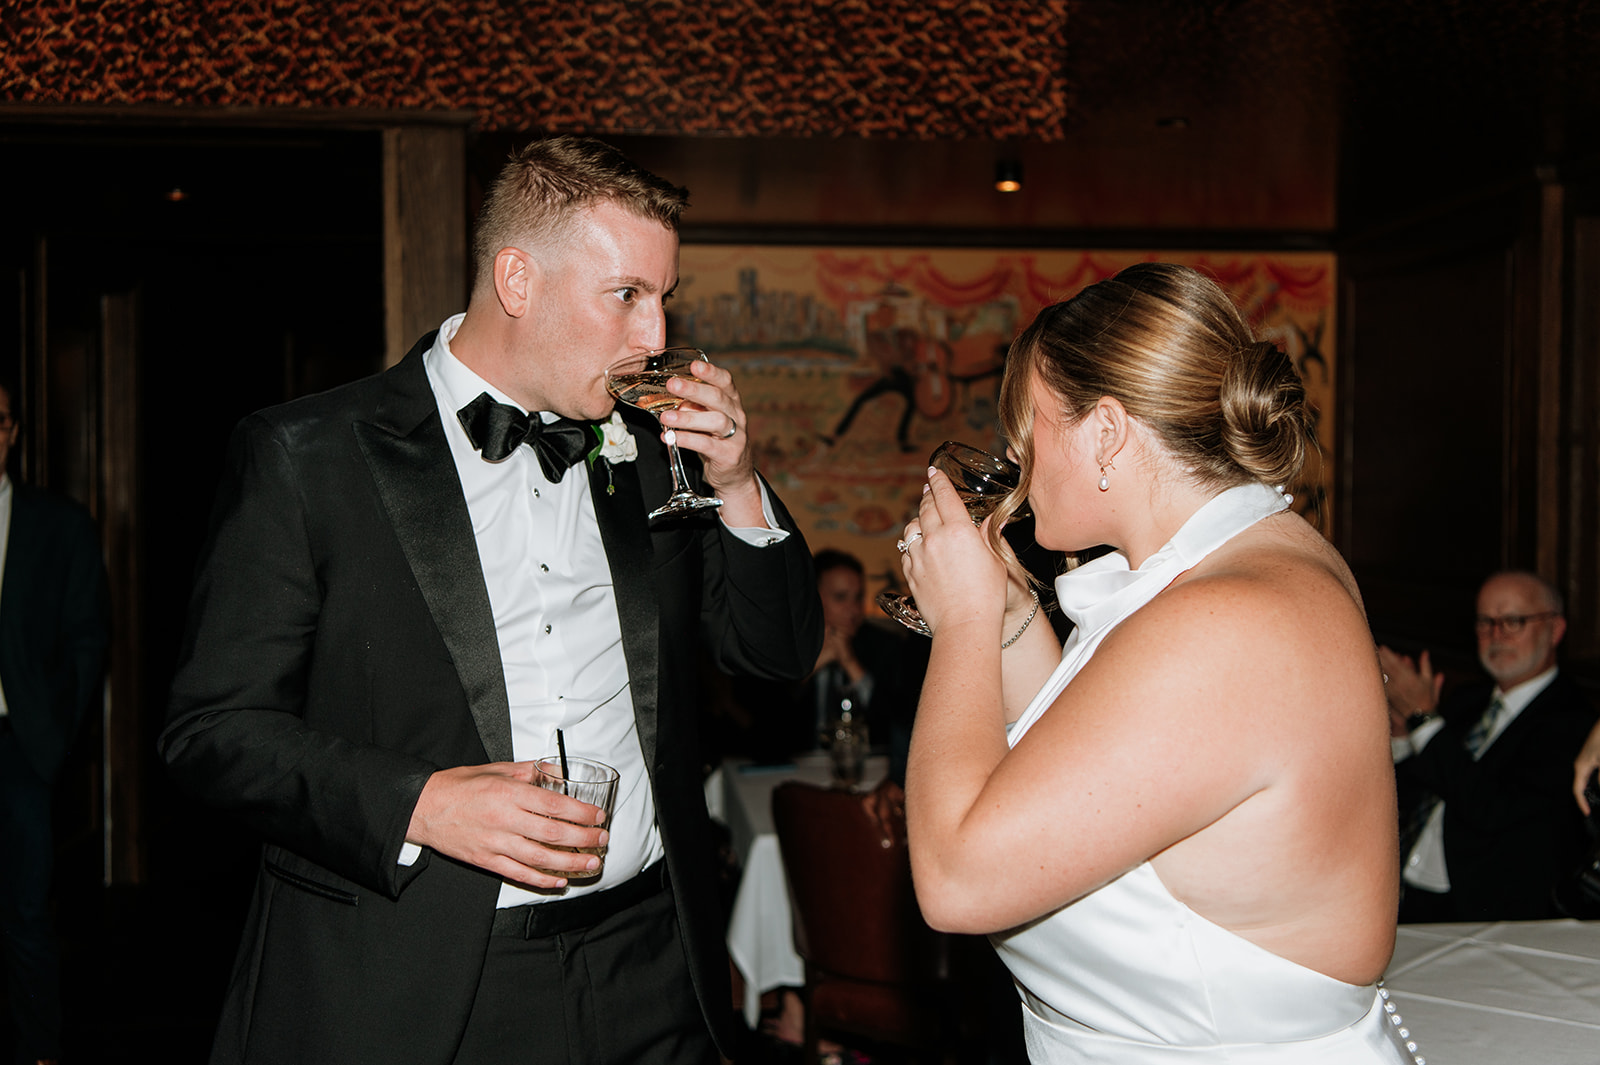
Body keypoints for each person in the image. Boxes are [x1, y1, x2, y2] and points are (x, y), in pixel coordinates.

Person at [158, 136, 822, 1065]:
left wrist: (742, 482)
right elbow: (212, 730)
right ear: (518, 279)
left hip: (652, 965)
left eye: (664, 297)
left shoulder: (651, 452)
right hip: (423, 984)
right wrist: (419, 804)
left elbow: (777, 655)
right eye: (627, 294)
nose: (655, 338)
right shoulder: (307, 456)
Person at [896, 263, 1417, 1063]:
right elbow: (1108, 771)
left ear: (1105, 431)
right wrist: (1009, 616)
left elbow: (956, 877)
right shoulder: (1248, 564)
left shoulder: (1228, 618)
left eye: (1028, 426)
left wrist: (962, 620)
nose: (1015, 454)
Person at [0, 380, 110, 1065]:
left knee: (26, 915)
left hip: (21, 749)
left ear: (11, 431)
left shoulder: (59, 525)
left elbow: (89, 637)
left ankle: (40, 1053)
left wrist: (56, 735)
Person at [1382, 571, 1597, 922]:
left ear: (1555, 630)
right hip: (1406, 888)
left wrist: (1424, 720)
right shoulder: (1468, 700)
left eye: (1513, 621)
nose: (1496, 635)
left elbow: (1492, 809)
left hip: (1480, 912)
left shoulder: (1573, 722)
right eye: (1485, 622)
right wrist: (1403, 734)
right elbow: (1415, 793)